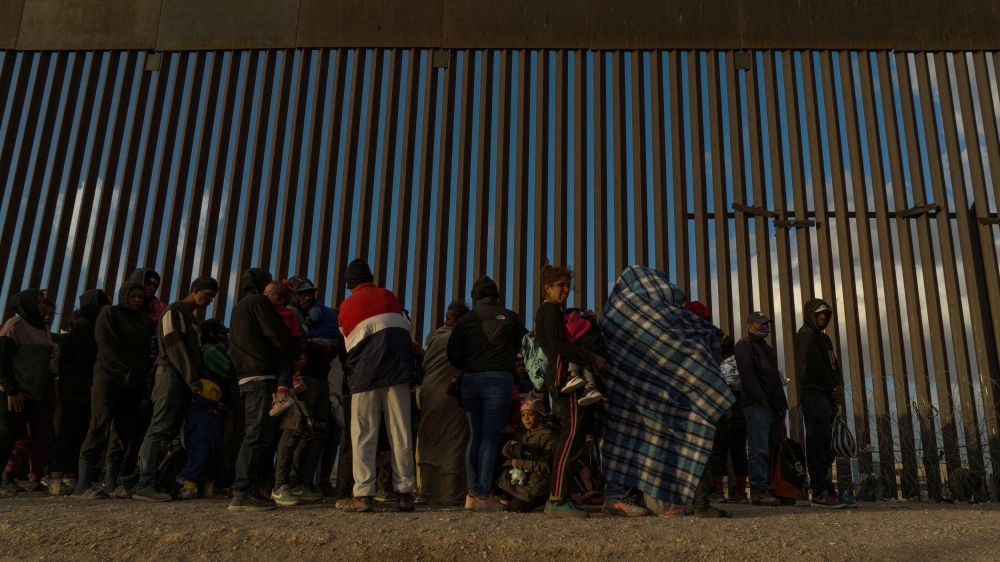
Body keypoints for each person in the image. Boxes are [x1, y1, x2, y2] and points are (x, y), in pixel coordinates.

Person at [596, 268, 732, 519]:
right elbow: (692, 352)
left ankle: (635, 499)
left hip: (629, 397)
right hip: (666, 394)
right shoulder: (668, 318)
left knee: (634, 444)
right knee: (692, 435)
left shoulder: (612, 315)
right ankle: (696, 504)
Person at [338, 258, 416, 513]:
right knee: (400, 433)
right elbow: (405, 326)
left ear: (350, 285)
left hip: (365, 376)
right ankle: (405, 493)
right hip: (398, 372)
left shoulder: (347, 305)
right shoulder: (390, 296)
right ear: (371, 278)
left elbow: (347, 343)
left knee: (363, 434)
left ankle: (363, 495)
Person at [133, 276, 219, 502]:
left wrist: (202, 381)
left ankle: (162, 482)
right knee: (158, 428)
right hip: (170, 375)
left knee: (170, 433)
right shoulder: (174, 311)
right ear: (196, 290)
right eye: (208, 294)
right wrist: (193, 380)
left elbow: (196, 356)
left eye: (213, 297)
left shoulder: (191, 319)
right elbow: (175, 347)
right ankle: (144, 483)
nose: (209, 300)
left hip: (183, 380)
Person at [446, 276, 527, 512]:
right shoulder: (510, 317)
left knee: (476, 436)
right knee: (491, 437)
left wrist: (470, 364)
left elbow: (453, 354)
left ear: (474, 297)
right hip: (498, 379)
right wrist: (508, 359)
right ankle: (484, 496)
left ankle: (472, 495)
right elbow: (524, 344)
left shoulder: (464, 321)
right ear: (497, 296)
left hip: (470, 380)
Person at [228, 269, 305, 512]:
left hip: (246, 376)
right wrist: (297, 353)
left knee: (255, 433)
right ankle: (243, 491)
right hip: (260, 375)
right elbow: (276, 333)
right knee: (258, 434)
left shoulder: (240, 306)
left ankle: (247, 488)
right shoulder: (259, 303)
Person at [533, 264, 605, 519]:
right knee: (571, 436)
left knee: (574, 436)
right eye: (560, 285)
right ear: (547, 287)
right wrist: (592, 356)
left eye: (567, 285)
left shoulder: (553, 310)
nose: (565, 289)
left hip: (564, 376)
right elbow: (559, 345)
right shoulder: (550, 310)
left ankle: (560, 496)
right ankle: (556, 498)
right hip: (565, 376)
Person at [74, 281, 155, 499]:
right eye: (133, 296)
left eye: (140, 296)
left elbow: (145, 351)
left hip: (133, 384)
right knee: (98, 427)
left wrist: (139, 378)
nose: (137, 299)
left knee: (122, 433)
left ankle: (110, 484)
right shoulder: (110, 314)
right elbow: (106, 345)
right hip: (108, 379)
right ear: (124, 295)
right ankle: (83, 485)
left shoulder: (145, 320)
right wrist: (126, 370)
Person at [271, 278, 334, 507]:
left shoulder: (318, 317)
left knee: (312, 432)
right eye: (302, 293)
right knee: (294, 431)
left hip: (318, 379)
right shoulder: (290, 313)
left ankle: (299, 482)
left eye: (310, 293)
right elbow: (291, 345)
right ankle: (281, 484)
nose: (307, 297)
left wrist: (326, 347)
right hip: (300, 380)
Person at [48, 290, 109, 495]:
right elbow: (85, 358)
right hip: (74, 390)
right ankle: (56, 478)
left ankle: (69, 477)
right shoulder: (84, 325)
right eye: (102, 305)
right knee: (67, 432)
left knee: (79, 432)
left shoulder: (92, 325)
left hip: (83, 389)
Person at [0, 290, 55, 498]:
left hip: (33, 395)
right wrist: (12, 390)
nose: (42, 305)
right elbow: (2, 360)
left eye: (43, 302)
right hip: (13, 394)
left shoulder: (43, 328)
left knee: (15, 437)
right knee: (5, 437)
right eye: (38, 301)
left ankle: (7, 480)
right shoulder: (15, 325)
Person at [415, 301, 471, 506]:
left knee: (428, 439)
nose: (444, 321)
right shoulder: (465, 338)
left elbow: (425, 363)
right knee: (454, 440)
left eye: (448, 318)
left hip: (430, 391)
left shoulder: (434, 338)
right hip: (453, 392)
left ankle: (426, 492)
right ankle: (450, 493)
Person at [795, 298, 849, 509]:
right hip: (814, 394)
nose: (823, 317)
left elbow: (833, 365)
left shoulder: (824, 339)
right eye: (819, 314)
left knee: (827, 446)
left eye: (826, 314)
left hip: (826, 395)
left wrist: (839, 386)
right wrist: (831, 386)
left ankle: (827, 488)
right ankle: (819, 492)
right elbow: (814, 365)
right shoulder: (806, 335)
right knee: (817, 443)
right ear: (810, 314)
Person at [735, 311, 787, 507]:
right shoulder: (744, 345)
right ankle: (758, 490)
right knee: (759, 448)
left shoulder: (766, 348)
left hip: (773, 406)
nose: (764, 327)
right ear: (750, 326)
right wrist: (761, 399)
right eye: (760, 324)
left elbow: (774, 379)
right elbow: (747, 376)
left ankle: (770, 487)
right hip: (758, 405)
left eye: (766, 323)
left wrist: (782, 404)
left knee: (771, 448)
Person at [200, 318, 242, 489]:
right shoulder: (210, 351)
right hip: (219, 402)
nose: (226, 337)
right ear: (212, 334)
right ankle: (220, 479)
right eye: (223, 333)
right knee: (224, 440)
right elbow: (229, 371)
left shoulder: (219, 350)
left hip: (221, 402)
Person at [497, 399, 558, 513]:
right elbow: (506, 452)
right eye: (523, 415)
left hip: (540, 479)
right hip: (522, 475)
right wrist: (509, 449)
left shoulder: (550, 434)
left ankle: (544, 498)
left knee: (517, 507)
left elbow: (548, 465)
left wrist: (521, 462)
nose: (526, 418)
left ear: (540, 416)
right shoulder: (521, 431)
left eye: (531, 414)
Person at [707, 335, 748, 504]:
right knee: (739, 453)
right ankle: (740, 493)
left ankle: (717, 491)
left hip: (727, 415)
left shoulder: (720, 366)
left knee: (718, 452)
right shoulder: (741, 364)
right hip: (743, 414)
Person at [176, 378, 225, 499]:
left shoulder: (196, 409)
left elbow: (189, 427)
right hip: (215, 442)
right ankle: (209, 488)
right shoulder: (215, 411)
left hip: (198, 440)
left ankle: (188, 488)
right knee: (210, 463)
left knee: (195, 461)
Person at [262, 281, 303, 417]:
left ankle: (282, 394)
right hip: (291, 341)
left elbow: (281, 331)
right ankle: (291, 409)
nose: (266, 296)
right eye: (265, 293)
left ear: (280, 300)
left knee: (283, 364)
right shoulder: (276, 310)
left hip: (290, 341)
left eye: (271, 294)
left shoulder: (281, 312)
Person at [559, 310, 606, 406]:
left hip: (586, 344)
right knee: (585, 362)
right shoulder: (586, 326)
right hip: (594, 346)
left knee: (574, 354)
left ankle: (573, 375)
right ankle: (590, 388)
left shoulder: (567, 319)